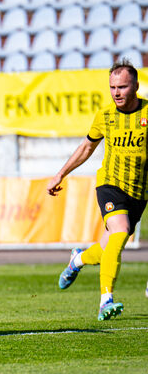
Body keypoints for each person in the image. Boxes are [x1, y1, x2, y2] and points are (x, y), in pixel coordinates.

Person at [47, 59, 147, 321]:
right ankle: (106, 300)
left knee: (106, 248)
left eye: (122, 87)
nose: (116, 93)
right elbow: (86, 148)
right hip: (110, 185)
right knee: (121, 231)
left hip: (139, 192)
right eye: (112, 87)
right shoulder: (105, 116)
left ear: (136, 86)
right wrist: (60, 174)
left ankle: (77, 260)